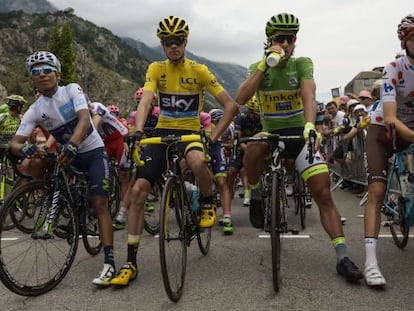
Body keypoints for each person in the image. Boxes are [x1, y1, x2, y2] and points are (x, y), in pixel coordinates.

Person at [110, 16, 238, 286]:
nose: (173, 47)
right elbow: (146, 99)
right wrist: (138, 129)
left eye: (178, 41)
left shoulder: (200, 70)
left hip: (190, 133)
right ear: (162, 44)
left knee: (196, 160)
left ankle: (206, 203)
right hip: (161, 134)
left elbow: (231, 107)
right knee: (137, 191)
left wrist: (213, 138)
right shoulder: (156, 69)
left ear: (185, 42)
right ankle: (130, 262)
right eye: (168, 42)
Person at [236, 13, 363, 283]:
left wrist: (309, 124)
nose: (285, 43)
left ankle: (342, 256)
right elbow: (242, 97)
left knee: (323, 192)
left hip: (299, 132)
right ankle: (256, 195)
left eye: (290, 38)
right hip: (271, 133)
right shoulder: (257, 67)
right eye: (279, 38)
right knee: (252, 149)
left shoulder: (301, 64)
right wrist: (264, 64)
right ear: (269, 41)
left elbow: (308, 93)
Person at [9, 51, 116, 286]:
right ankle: (51, 199)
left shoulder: (71, 90)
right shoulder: (36, 109)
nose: (42, 75)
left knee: (99, 203)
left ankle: (109, 262)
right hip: (67, 156)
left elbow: (85, 119)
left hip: (92, 152)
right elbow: (15, 142)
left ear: (57, 73)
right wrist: (25, 149)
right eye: (36, 72)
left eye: (47, 70)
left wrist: (74, 145)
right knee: (33, 162)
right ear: (32, 80)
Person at [363, 14, 414, 288]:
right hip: (383, 131)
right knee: (377, 191)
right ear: (405, 41)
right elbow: (392, 118)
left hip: (410, 133)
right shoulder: (394, 68)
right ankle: (371, 263)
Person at [112, 88, 159, 230]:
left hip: (159, 144)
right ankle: (121, 215)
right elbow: (132, 133)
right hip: (145, 145)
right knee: (133, 179)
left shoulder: (159, 113)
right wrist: (135, 148)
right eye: (137, 102)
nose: (140, 104)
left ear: (153, 101)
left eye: (143, 101)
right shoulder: (134, 115)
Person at [227, 96, 262, 209]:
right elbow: (237, 139)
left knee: (245, 170)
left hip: (258, 147)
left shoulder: (263, 118)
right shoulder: (241, 117)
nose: (259, 115)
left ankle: (251, 193)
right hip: (242, 146)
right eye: (257, 113)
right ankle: (229, 194)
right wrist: (249, 150)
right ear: (251, 111)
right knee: (231, 171)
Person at [209, 108, 234, 235]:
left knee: (222, 183)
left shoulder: (229, 128)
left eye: (221, 120)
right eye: (216, 121)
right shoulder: (204, 122)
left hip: (216, 148)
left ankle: (227, 217)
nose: (219, 123)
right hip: (203, 146)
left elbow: (232, 143)